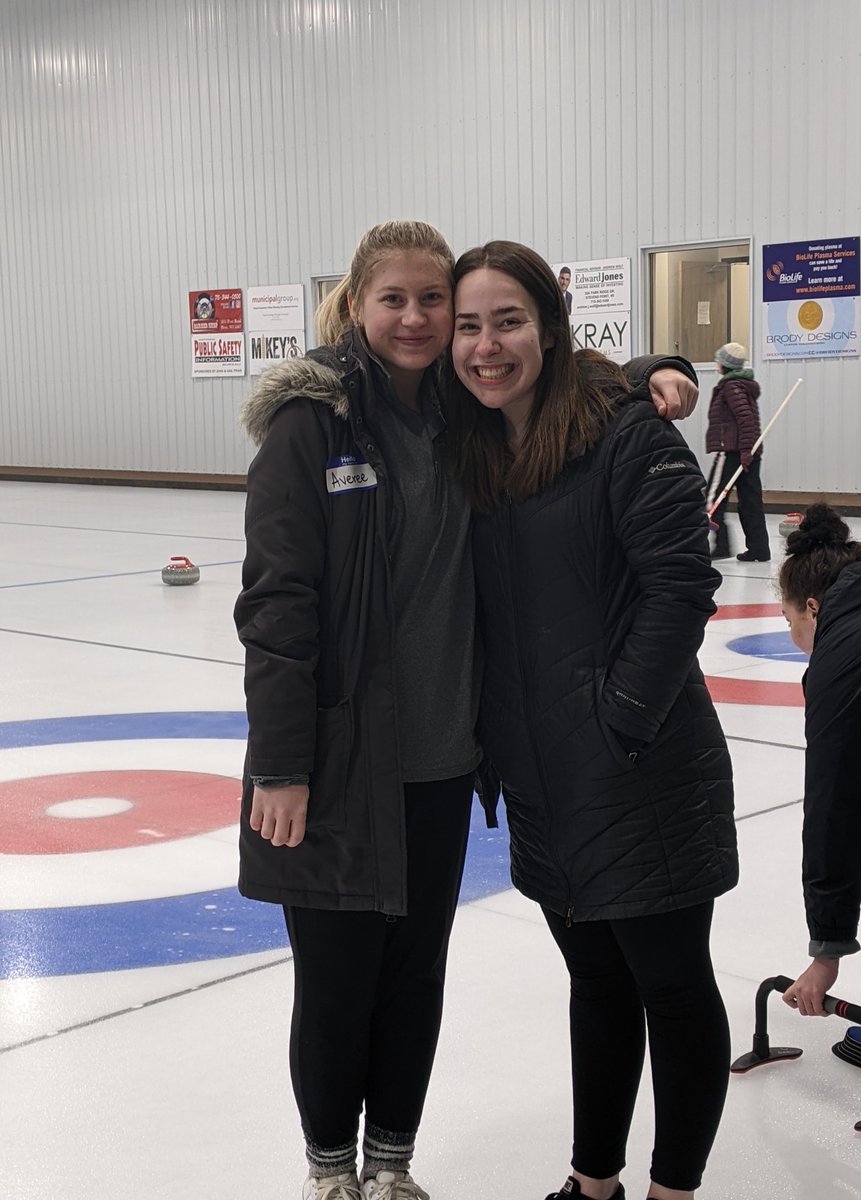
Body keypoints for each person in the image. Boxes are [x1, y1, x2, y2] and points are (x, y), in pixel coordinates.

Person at [233, 220, 700, 1200]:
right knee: (335, 987)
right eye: (394, 298)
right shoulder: (309, 425)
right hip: (330, 762)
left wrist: (653, 369)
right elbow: (278, 605)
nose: (417, 317)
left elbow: (557, 373)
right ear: (357, 303)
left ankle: (393, 1164)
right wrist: (280, 764)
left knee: (413, 981)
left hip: (443, 760)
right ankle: (331, 1174)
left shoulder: (467, 414)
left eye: (432, 300)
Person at [448, 241, 738, 1200]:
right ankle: (595, 1181)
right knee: (597, 983)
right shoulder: (479, 445)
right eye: (469, 326)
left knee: (669, 984)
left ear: (551, 326)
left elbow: (679, 584)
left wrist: (621, 721)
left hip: (636, 768)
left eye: (509, 320)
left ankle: (673, 1188)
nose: (488, 346)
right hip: (541, 777)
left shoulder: (624, 434)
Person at [778, 505, 861, 1019]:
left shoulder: (845, 653)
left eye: (789, 621)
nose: (793, 638)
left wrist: (826, 950)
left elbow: (837, 804)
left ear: (812, 607)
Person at [704, 341, 770, 562]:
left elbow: (745, 419)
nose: (716, 364)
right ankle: (760, 549)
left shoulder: (731, 387)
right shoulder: (742, 385)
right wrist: (748, 451)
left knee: (713, 500)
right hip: (748, 452)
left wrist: (743, 451)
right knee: (750, 500)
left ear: (725, 364)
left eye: (718, 360)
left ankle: (721, 545)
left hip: (733, 452)